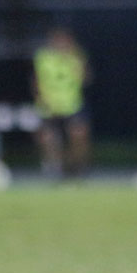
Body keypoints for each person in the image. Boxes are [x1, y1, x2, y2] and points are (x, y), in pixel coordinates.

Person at [32, 26, 92, 179]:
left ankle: (76, 166)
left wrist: (77, 63)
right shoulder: (44, 57)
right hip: (49, 105)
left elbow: (86, 79)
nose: (61, 44)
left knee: (78, 134)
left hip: (71, 103)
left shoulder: (76, 57)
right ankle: (53, 166)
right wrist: (41, 99)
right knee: (47, 136)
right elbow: (36, 80)